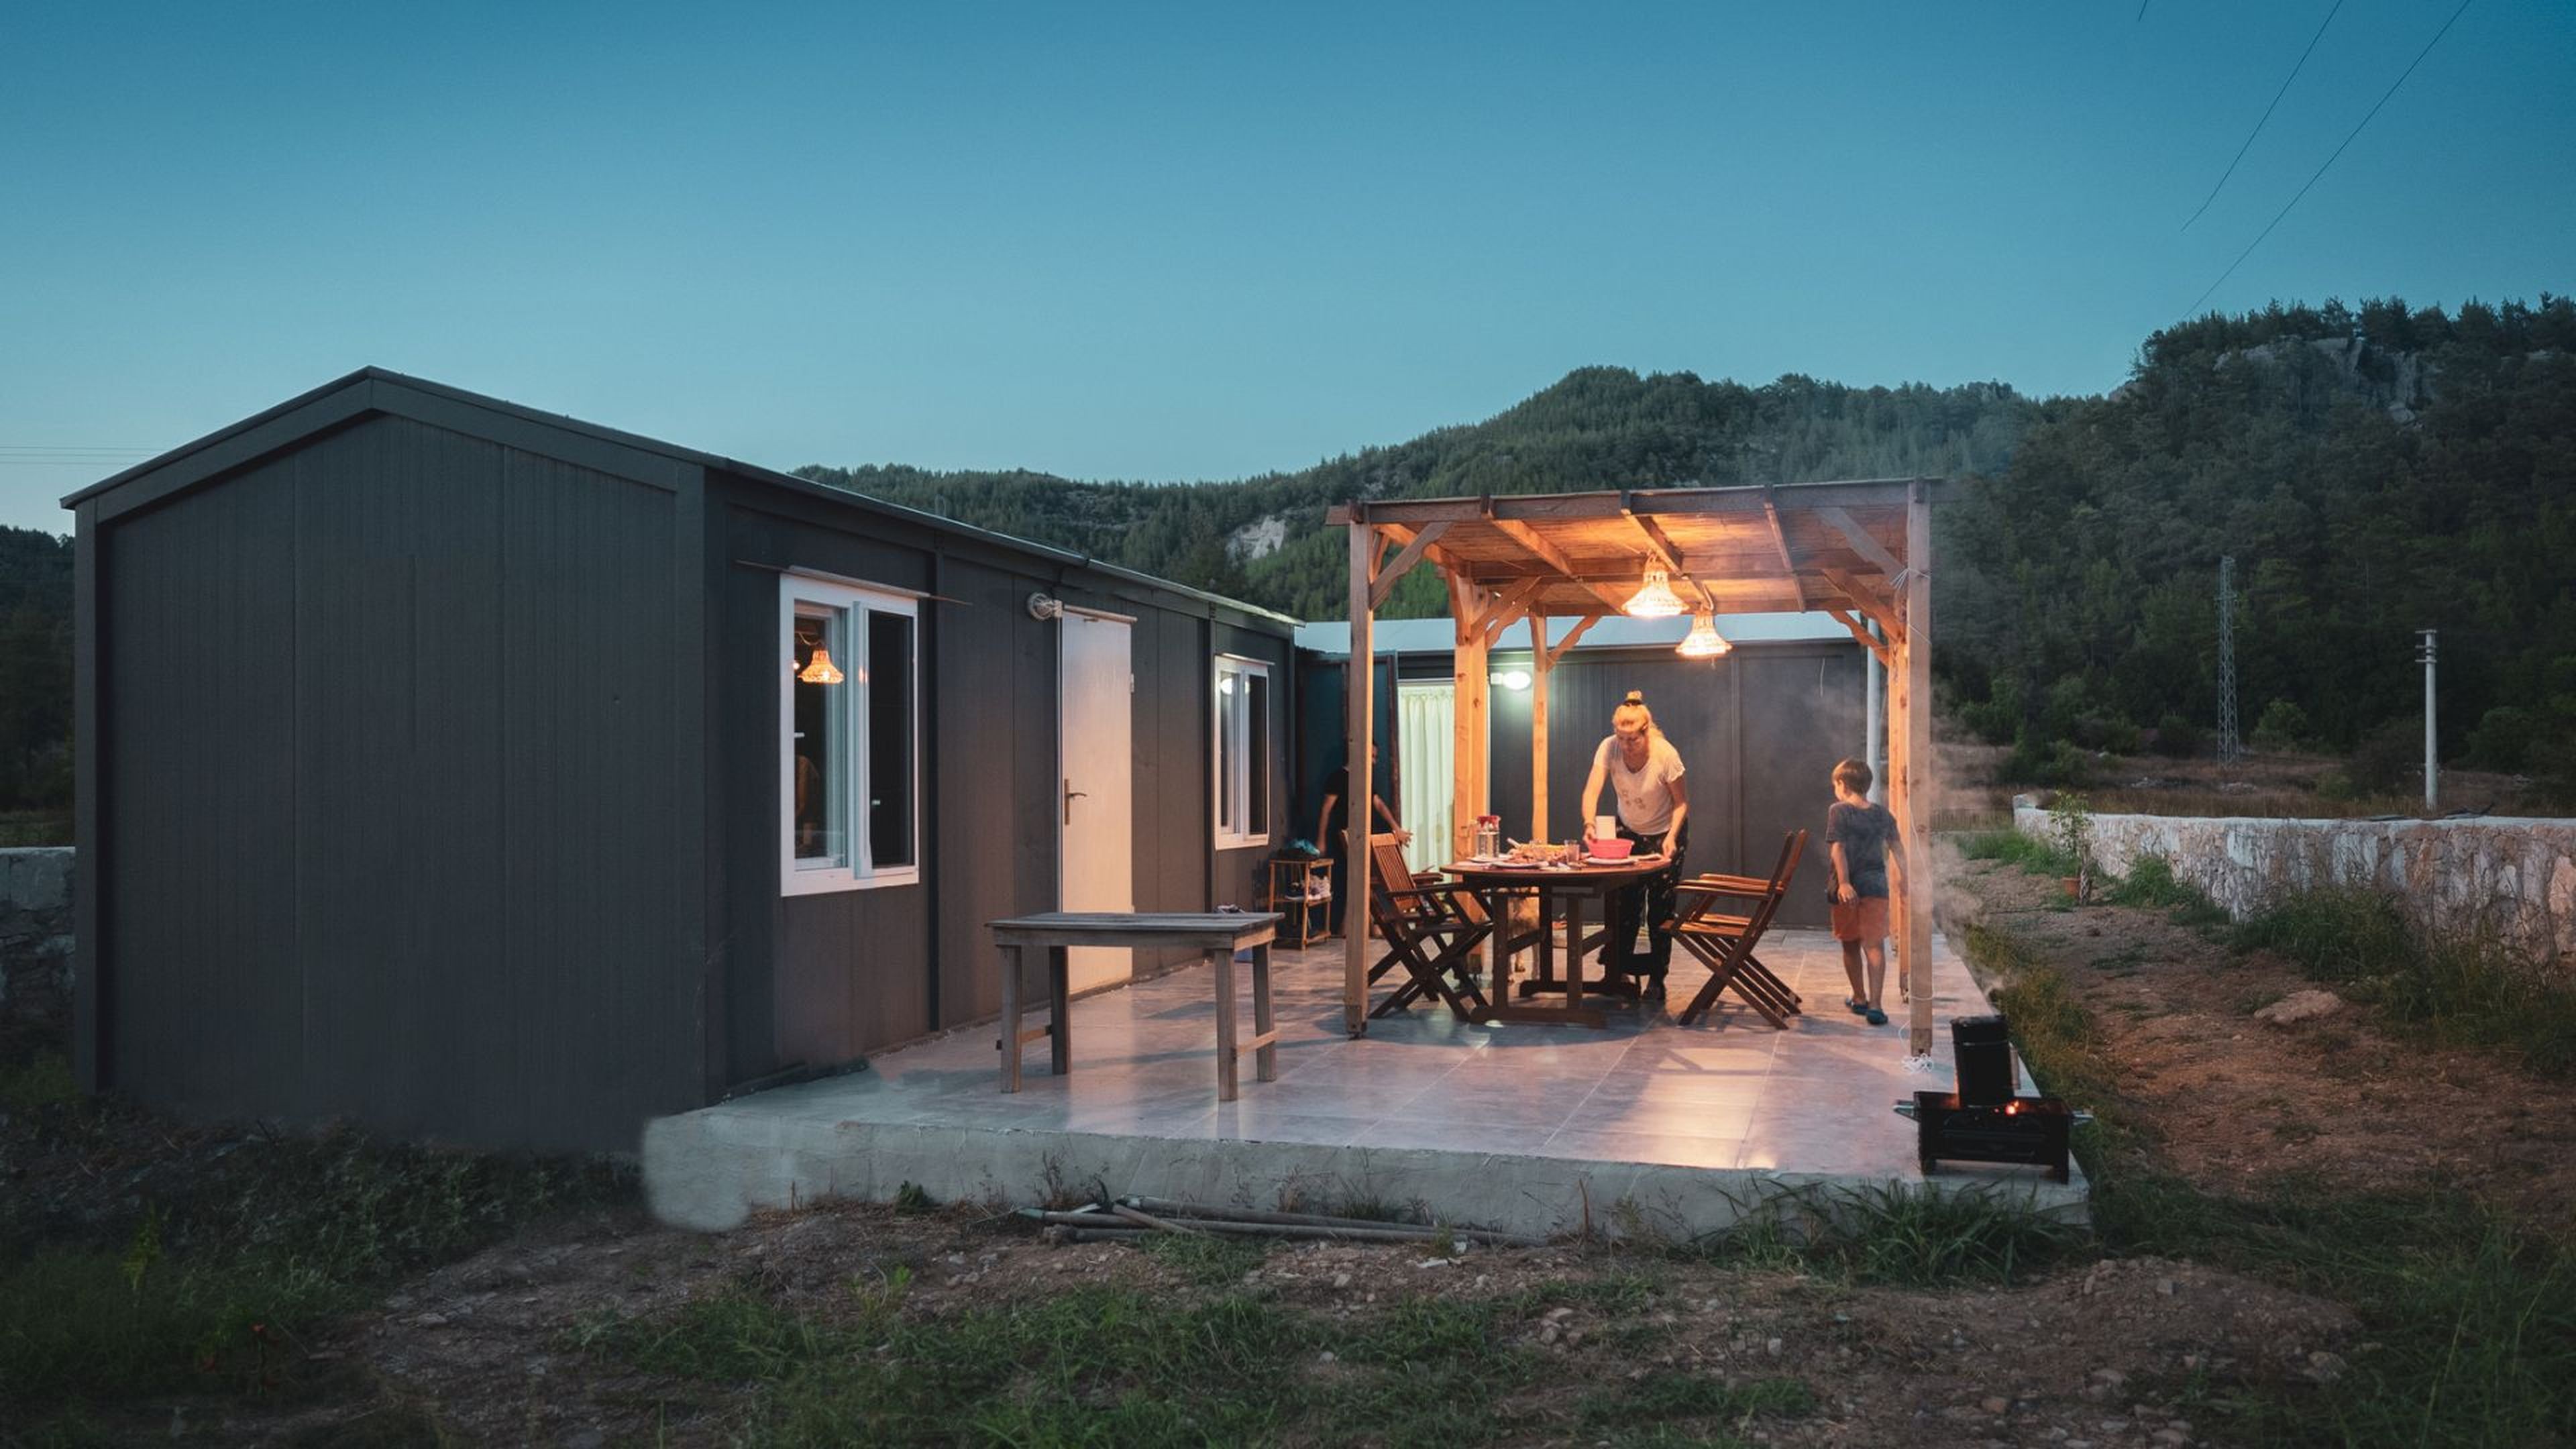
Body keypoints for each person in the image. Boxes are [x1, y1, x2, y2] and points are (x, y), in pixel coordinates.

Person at [1580, 691, 1689, 1001]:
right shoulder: (1608, 748)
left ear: (1646, 731)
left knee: (1660, 907)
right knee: (1624, 904)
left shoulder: (1665, 754)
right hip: (1627, 829)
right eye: (1621, 738)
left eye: (1633, 740)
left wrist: (1670, 838)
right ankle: (1619, 970)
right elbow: (1592, 790)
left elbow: (1682, 803)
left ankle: (1657, 977)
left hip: (1666, 831)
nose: (1626, 745)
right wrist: (1589, 822)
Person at [1825, 757, 1904, 1026]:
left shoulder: (1839, 811)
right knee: (1874, 945)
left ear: (1842, 784)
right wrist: (1906, 877)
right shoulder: (1883, 814)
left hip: (1847, 889)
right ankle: (1875, 1005)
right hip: (1876, 887)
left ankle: (1860, 997)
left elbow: (1838, 848)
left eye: (1835, 784)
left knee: (1850, 944)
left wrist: (1845, 882)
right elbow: (1897, 847)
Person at [1318, 744, 1409, 936]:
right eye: (1372, 757)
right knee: (1358, 881)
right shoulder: (1338, 777)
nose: (1375, 762)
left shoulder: (1365, 779)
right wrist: (1321, 840)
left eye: (1376, 758)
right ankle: (1362, 927)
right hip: (1346, 836)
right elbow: (1326, 810)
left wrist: (1397, 828)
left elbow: (1379, 804)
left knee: (1364, 881)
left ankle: (1368, 926)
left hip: (1364, 837)